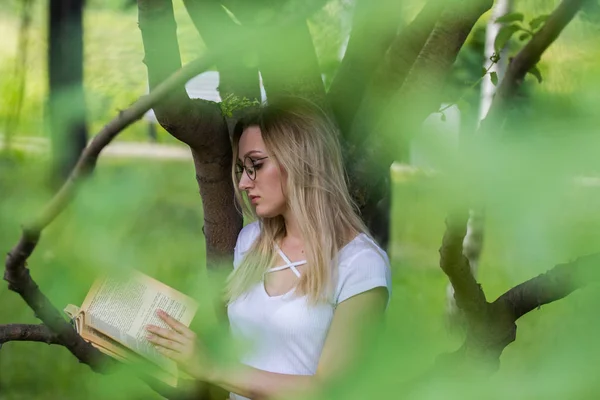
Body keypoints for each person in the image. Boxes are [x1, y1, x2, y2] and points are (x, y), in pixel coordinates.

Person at [146, 97, 392, 400]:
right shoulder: (251, 242)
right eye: (241, 169)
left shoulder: (360, 264)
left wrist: (211, 367)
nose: (245, 184)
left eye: (257, 166)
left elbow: (328, 391)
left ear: (301, 162)